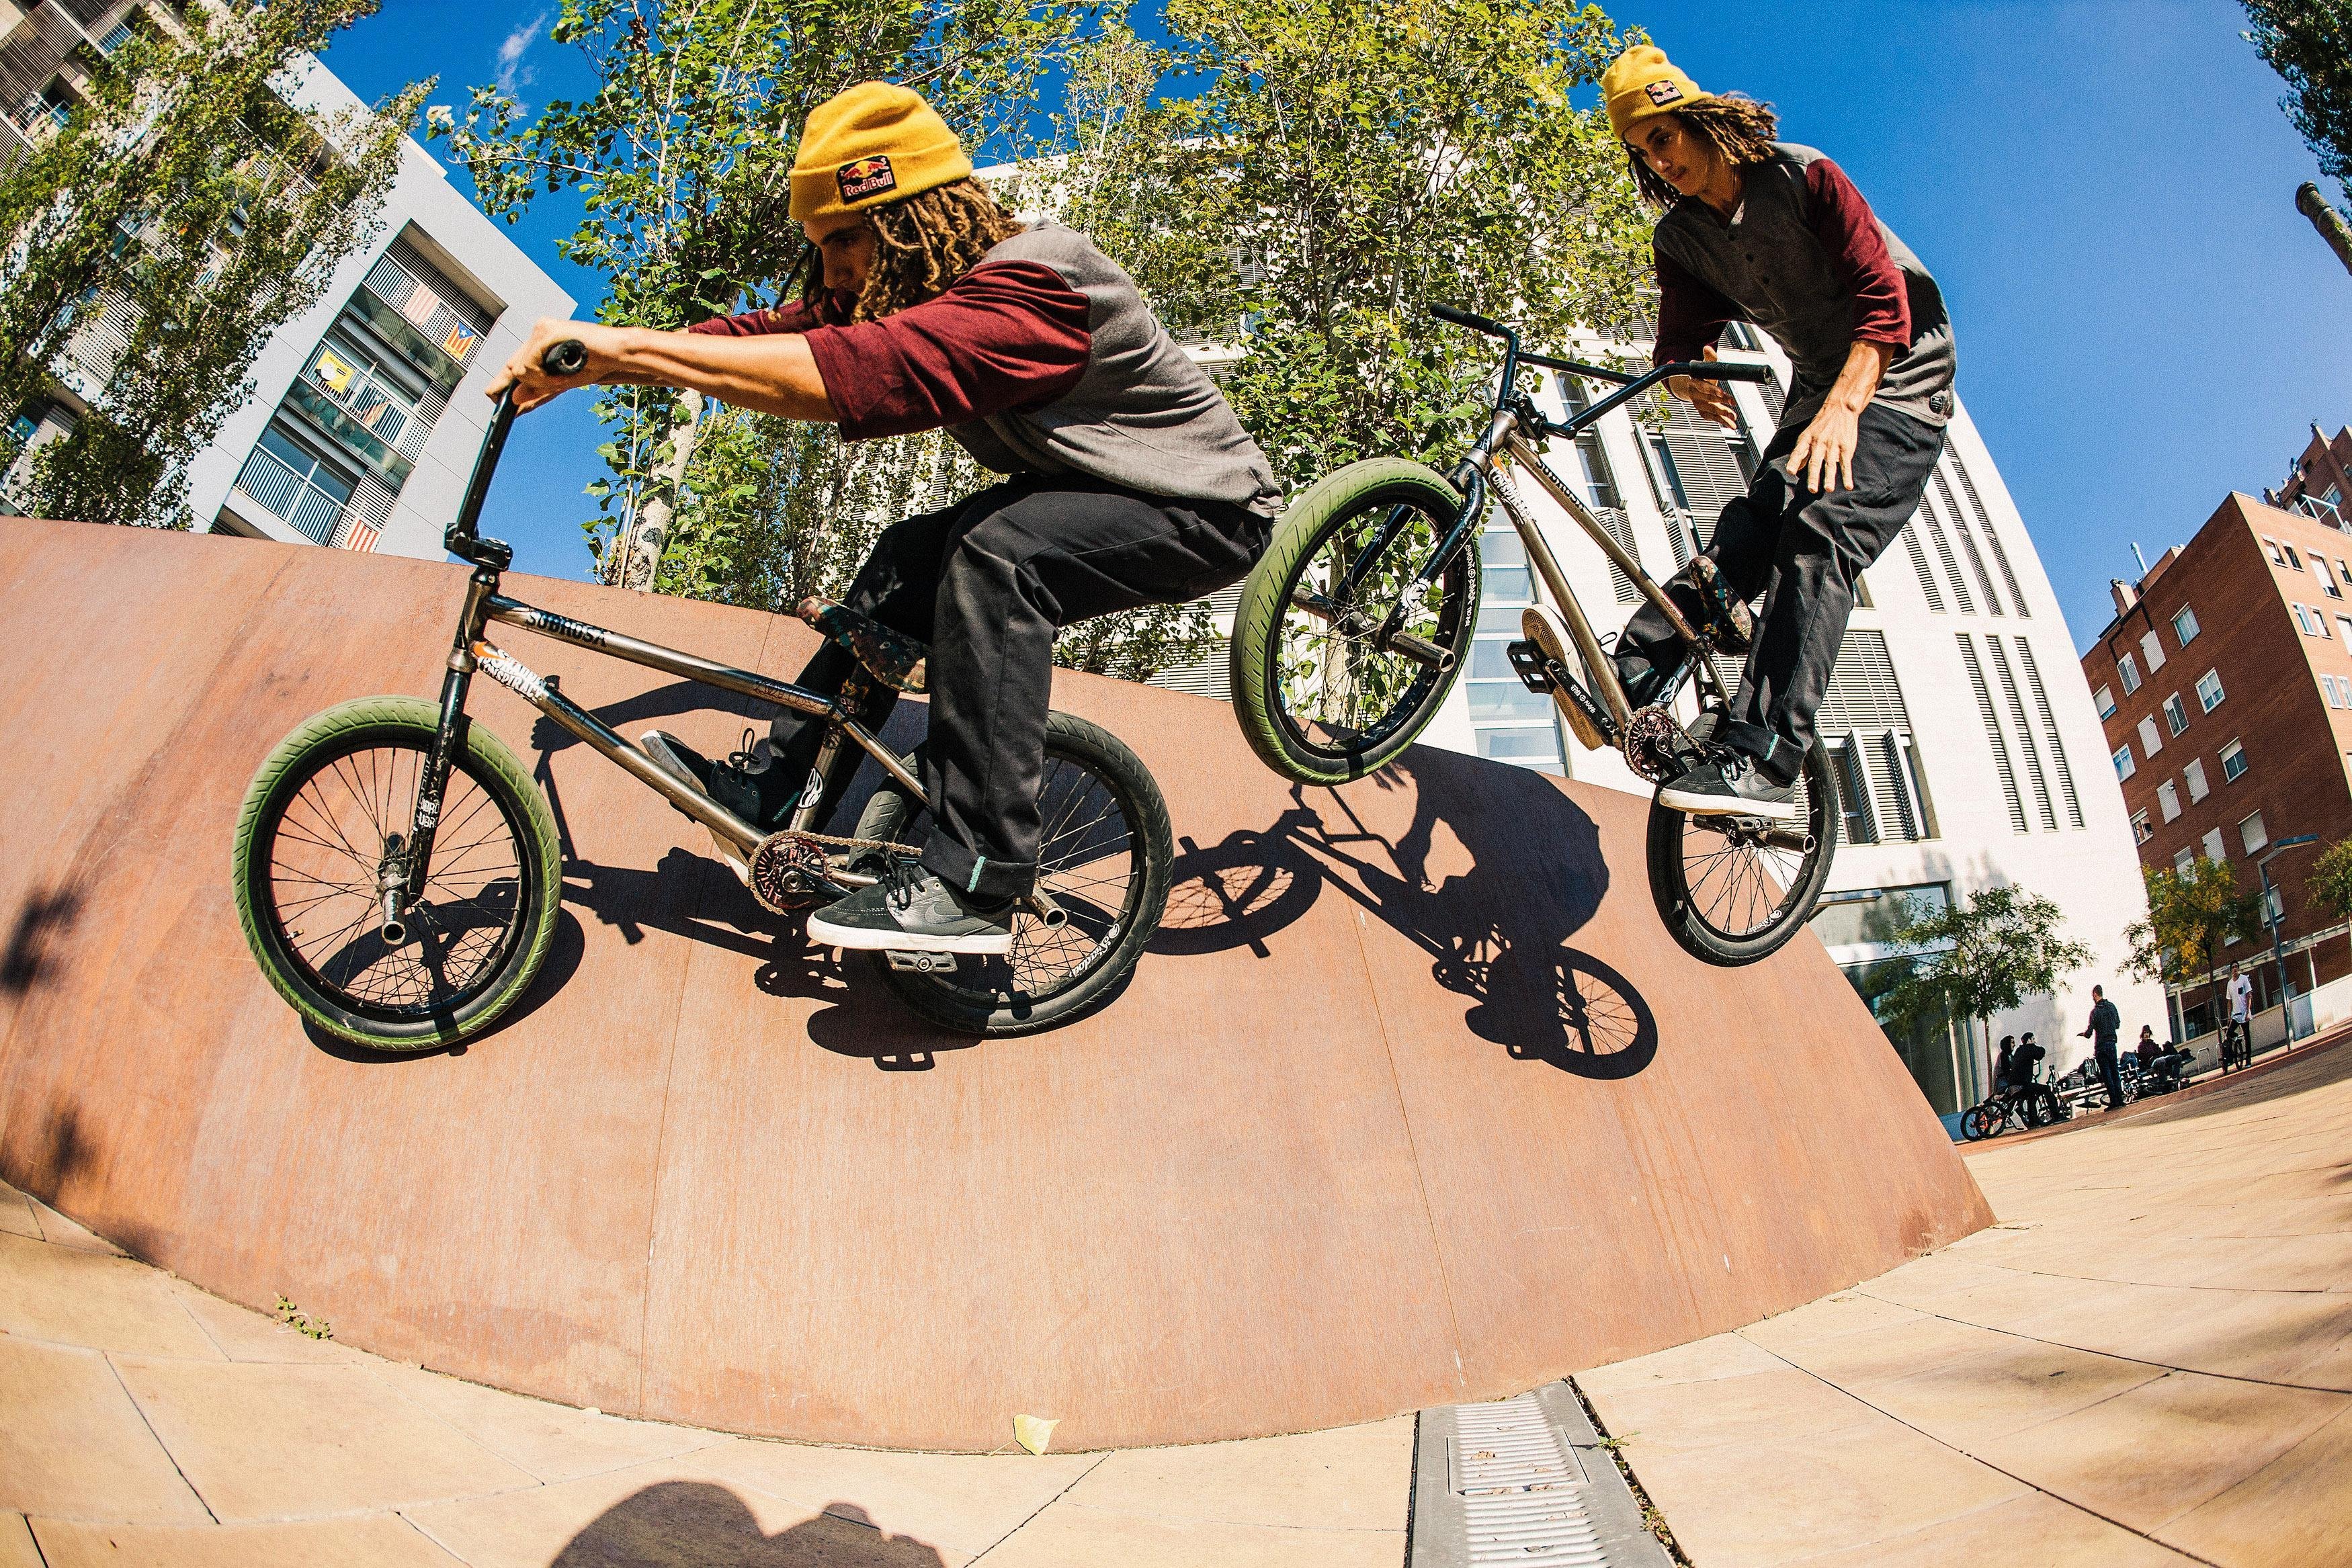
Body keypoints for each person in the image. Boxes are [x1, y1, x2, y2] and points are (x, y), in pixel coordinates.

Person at [491, 83, 1279, 955]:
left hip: (1203, 509)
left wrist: (625, 351)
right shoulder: (908, 284)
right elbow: (775, 334)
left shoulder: (1036, 288)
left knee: (998, 556)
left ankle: (978, 876)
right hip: (1095, 489)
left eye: (841, 243)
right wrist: (606, 358)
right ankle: (779, 793)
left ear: (908, 218)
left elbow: (858, 373)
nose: (829, 272)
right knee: (910, 556)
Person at [1587, 46, 1956, 821]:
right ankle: (1633, 671)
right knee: (1750, 530)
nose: (1660, 160)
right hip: (1819, 383)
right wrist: (1687, 366)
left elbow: (1881, 296)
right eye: (1642, 150)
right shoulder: (1681, 237)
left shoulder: (1802, 176)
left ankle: (1766, 759)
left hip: (1899, 380)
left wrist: (1846, 407)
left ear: (1695, 117)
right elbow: (1682, 330)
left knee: (1818, 533)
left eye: (1663, 136)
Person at [2079, 985, 2125, 1109]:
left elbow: (2089, 1034)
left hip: (2101, 1046)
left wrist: (2083, 1034)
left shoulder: (2095, 1012)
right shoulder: (2112, 1007)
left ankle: (2114, 1101)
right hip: (2112, 1043)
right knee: (2115, 1072)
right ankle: (2120, 1099)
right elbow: (2117, 1024)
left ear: (2095, 994)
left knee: (2107, 1074)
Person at [2226, 968, 2255, 1071]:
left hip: (2244, 1012)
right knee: (2229, 1033)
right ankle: (2232, 1057)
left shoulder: (2244, 979)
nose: (2235, 969)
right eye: (2233, 967)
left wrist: (2247, 1011)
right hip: (2235, 1014)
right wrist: (2229, 1017)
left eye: (2236, 967)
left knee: (2247, 1036)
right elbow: (2229, 1002)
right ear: (2231, 971)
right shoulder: (2230, 984)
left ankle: (2248, 1059)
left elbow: (2248, 996)